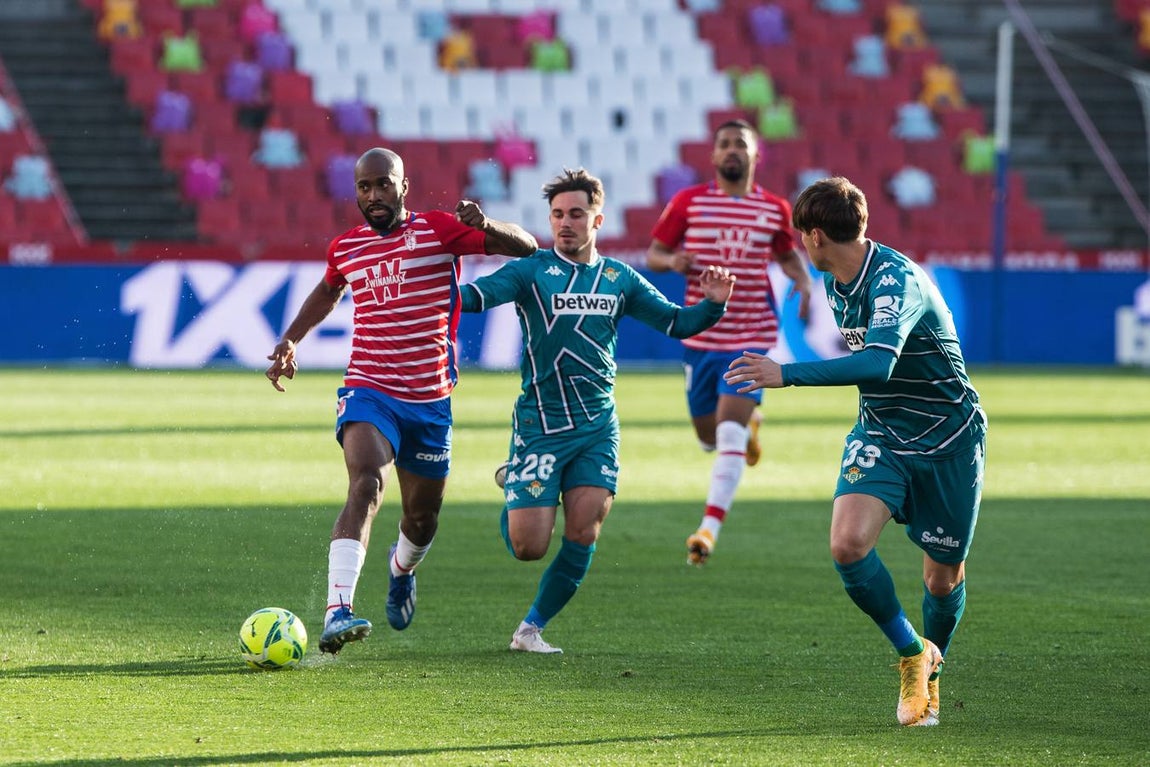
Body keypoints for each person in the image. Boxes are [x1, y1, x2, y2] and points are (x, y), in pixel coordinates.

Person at [723, 176, 987, 727]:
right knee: (847, 544)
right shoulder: (838, 280)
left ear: (816, 236)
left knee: (942, 578)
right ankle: (912, 654)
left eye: (801, 236)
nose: (800, 246)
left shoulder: (895, 281)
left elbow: (877, 364)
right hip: (881, 433)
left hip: (947, 439)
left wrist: (784, 374)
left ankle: (931, 675)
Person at [265, 147, 538, 655]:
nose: (373, 196)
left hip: (431, 401)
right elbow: (327, 292)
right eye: (364, 187)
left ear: (403, 187)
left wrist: (491, 224)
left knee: (421, 519)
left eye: (383, 185)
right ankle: (336, 610)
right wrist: (291, 339)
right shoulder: (346, 248)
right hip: (369, 390)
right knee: (366, 483)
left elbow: (527, 247)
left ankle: (401, 567)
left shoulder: (439, 230)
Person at [460, 168, 735, 653]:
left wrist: (712, 306)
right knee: (530, 548)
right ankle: (515, 485)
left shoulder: (619, 279)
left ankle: (530, 630)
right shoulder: (530, 270)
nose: (565, 223)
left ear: (598, 219)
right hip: (541, 425)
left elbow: (676, 323)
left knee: (585, 529)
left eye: (576, 214)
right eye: (558, 214)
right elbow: (474, 299)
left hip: (596, 426)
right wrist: (428, 288)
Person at [646, 118, 813, 566]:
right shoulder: (689, 202)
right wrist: (673, 259)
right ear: (714, 156)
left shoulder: (775, 209)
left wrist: (807, 287)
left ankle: (708, 529)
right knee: (707, 438)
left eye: (741, 143)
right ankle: (751, 426)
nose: (732, 150)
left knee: (728, 431)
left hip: (751, 337)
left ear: (756, 155)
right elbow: (653, 254)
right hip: (700, 336)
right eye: (725, 144)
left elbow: (787, 257)